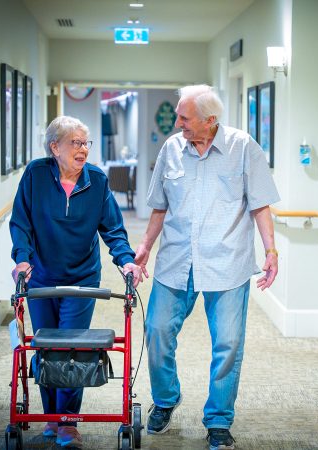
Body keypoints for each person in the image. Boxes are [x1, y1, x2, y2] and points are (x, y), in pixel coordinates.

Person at [134, 85, 280, 450]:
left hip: (226, 262)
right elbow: (159, 206)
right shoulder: (172, 149)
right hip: (176, 261)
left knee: (228, 345)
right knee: (157, 332)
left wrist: (271, 251)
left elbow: (260, 204)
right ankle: (166, 398)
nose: (178, 122)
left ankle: (218, 421)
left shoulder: (242, 147)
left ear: (210, 120)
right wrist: (145, 247)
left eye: (185, 117)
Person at [10, 115, 142, 449]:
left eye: (86, 143)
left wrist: (126, 261)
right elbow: (21, 222)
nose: (83, 150)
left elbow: (112, 228)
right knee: (44, 346)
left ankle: (68, 422)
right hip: (40, 275)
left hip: (82, 277)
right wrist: (22, 258)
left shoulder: (96, 180)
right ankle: (51, 417)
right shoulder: (35, 175)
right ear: (55, 147)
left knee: (71, 346)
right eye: (76, 143)